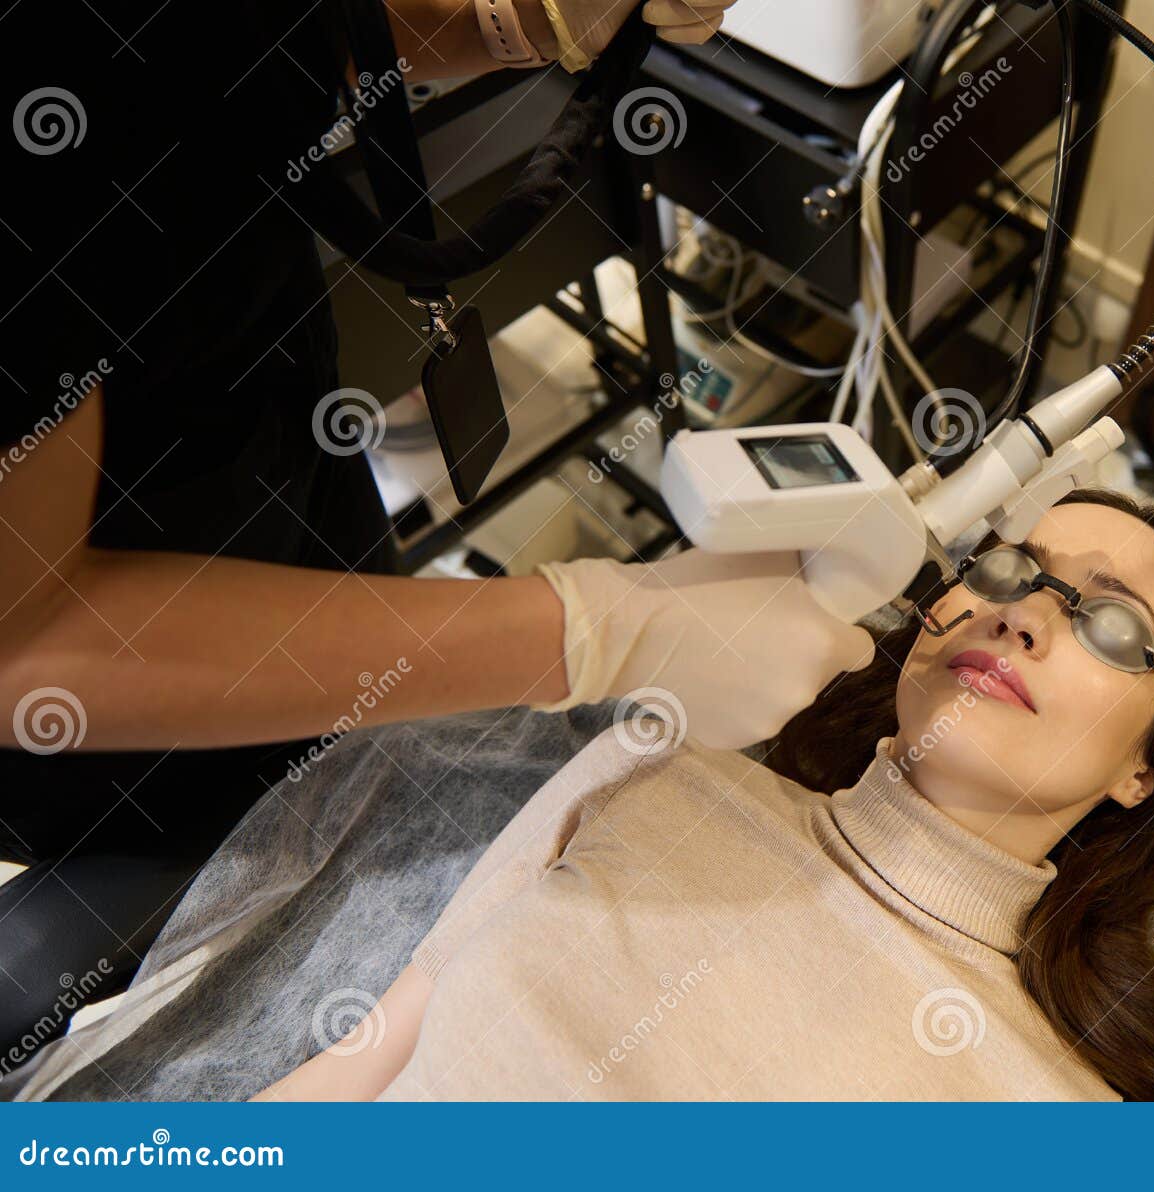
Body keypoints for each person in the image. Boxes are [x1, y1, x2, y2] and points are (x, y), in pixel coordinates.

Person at [0, 0, 882, 1065]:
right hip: (116, 703)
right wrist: (588, 629)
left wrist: (521, 25)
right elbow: (22, 645)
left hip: (261, 449)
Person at [254, 489, 1154, 1102]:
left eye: (1110, 625)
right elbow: (357, 1068)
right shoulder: (660, 774)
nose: (1023, 612)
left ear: (1144, 768)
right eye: (1006, 567)